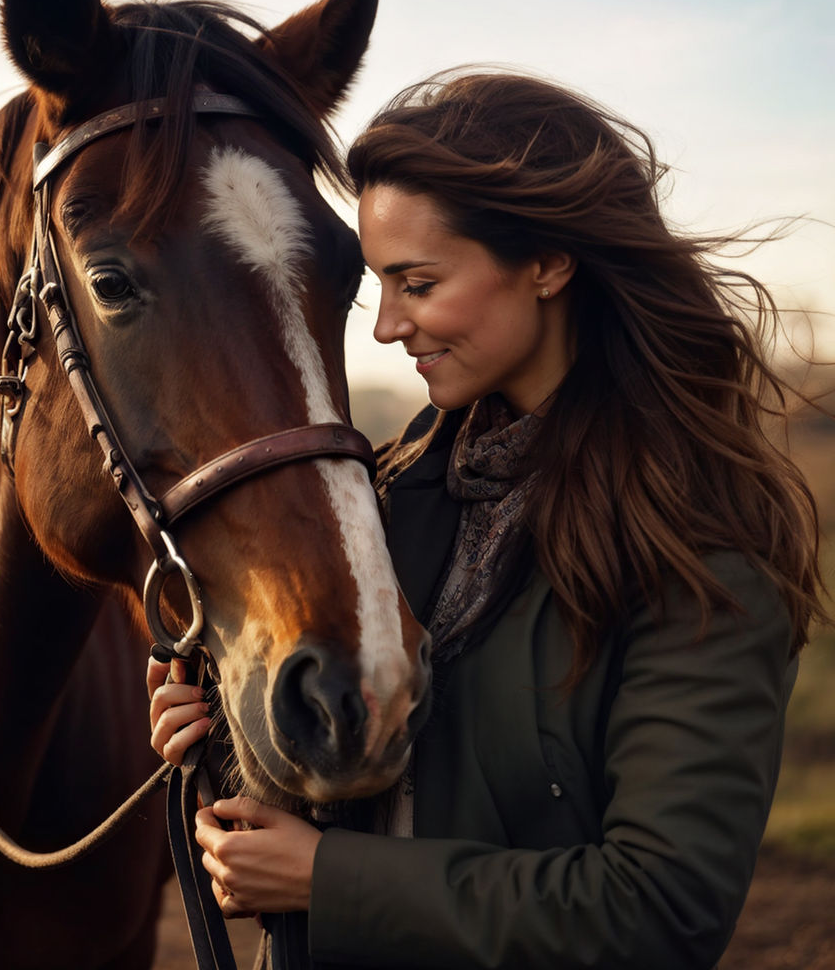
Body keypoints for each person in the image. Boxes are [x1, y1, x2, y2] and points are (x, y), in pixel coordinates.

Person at [147, 70, 826, 969]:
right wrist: (230, 734)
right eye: (377, 286)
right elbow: (379, 774)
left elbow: (660, 907)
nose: (387, 327)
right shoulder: (395, 493)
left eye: (417, 283)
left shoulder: (696, 539)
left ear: (546, 263)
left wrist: (327, 879)